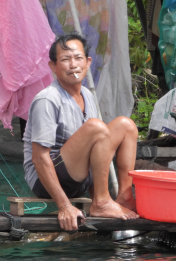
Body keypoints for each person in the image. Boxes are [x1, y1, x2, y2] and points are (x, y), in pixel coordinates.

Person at [23, 33, 139, 232]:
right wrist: (64, 206)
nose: (73, 65)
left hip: (78, 176)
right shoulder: (47, 99)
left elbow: (98, 149)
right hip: (48, 181)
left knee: (126, 125)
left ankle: (124, 197)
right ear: (53, 66)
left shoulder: (86, 94)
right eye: (65, 60)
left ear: (88, 62)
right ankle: (101, 203)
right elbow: (39, 158)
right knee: (96, 127)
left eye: (78, 58)